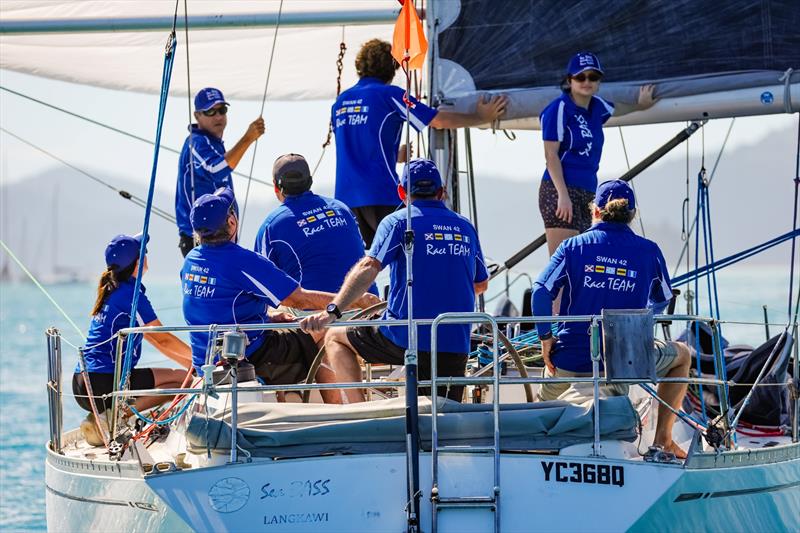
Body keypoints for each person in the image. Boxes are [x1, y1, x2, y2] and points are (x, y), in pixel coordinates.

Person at [301, 159, 488, 403]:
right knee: (441, 417)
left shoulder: (398, 222)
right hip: (454, 342)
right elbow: (480, 284)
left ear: (401, 192)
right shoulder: (465, 228)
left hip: (403, 337)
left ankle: (361, 413)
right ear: (441, 192)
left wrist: (333, 311)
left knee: (335, 336)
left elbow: (369, 267)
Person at [531, 179, 690, 458]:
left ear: (595, 212)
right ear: (632, 215)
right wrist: (639, 327)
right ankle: (664, 439)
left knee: (539, 413)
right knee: (684, 356)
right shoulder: (649, 251)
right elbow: (663, 298)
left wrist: (546, 339)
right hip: (622, 363)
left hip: (567, 360)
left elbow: (541, 292)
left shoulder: (573, 247)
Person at [181, 188, 378, 402]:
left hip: (206, 364)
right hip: (252, 358)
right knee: (327, 331)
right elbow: (298, 299)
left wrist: (268, 319)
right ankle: (343, 410)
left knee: (291, 327)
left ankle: (289, 403)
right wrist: (355, 300)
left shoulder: (191, 260)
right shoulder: (242, 261)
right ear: (231, 222)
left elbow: (218, 308)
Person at [332, 38, 508, 247]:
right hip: (382, 194)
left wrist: (396, 155)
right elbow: (439, 121)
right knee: (410, 256)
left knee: (364, 264)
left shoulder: (341, 102)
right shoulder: (390, 95)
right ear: (393, 68)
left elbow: (355, 145)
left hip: (345, 200)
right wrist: (481, 116)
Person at [73, 233, 192, 445]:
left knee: (183, 377)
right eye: (144, 252)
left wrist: (190, 364)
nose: (147, 255)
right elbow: (162, 338)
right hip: (103, 382)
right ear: (138, 263)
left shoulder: (112, 289)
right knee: (183, 383)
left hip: (82, 382)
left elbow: (155, 339)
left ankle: (105, 416)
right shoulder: (131, 295)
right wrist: (198, 361)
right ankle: (114, 418)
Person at [539, 52, 656, 259]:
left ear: (599, 82)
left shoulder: (598, 107)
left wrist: (641, 104)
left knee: (585, 262)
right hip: (560, 191)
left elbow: (618, 109)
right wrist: (563, 196)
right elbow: (551, 156)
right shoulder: (559, 109)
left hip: (588, 193)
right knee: (565, 264)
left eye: (593, 77)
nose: (587, 82)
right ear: (569, 80)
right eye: (580, 77)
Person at [254, 153, 378, 298]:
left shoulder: (271, 225)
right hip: (368, 308)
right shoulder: (342, 208)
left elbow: (261, 284)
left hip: (318, 315)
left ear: (276, 187)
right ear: (310, 181)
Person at [175, 87, 266, 257]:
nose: (218, 116)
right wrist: (248, 138)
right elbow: (217, 169)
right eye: (210, 111)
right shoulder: (197, 142)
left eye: (222, 110)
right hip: (200, 239)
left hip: (218, 238)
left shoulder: (211, 143)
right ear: (197, 116)